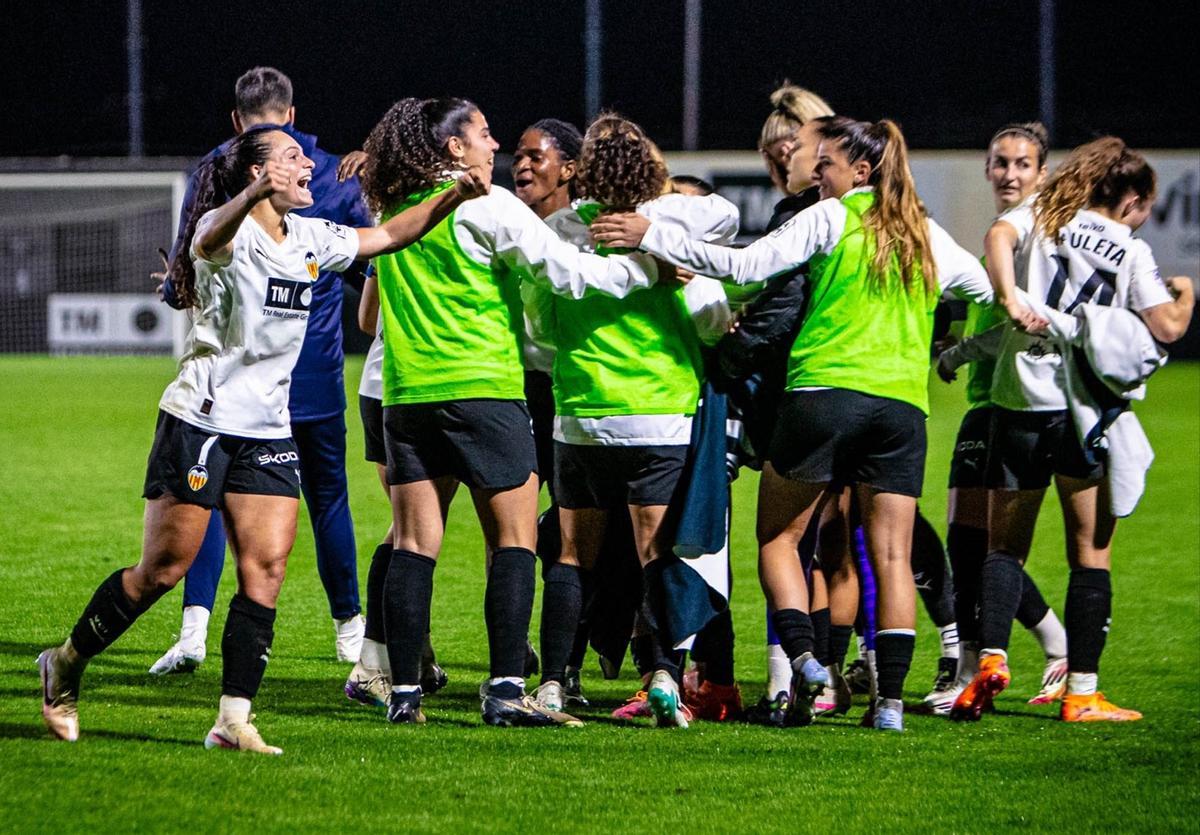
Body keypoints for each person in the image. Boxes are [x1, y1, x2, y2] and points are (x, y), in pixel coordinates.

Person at [37, 126, 491, 752]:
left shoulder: (311, 236)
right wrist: (254, 192)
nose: (307, 162)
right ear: (256, 173)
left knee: (268, 569)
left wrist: (454, 198)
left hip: (268, 429)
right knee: (163, 570)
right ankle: (64, 662)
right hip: (201, 420)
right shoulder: (227, 232)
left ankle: (233, 719)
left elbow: (386, 236)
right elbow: (207, 236)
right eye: (289, 157)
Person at [593, 116, 994, 731]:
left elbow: (747, 267)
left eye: (827, 162)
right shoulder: (926, 234)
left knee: (780, 540)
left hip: (821, 398)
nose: (818, 172)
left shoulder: (830, 217)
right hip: (901, 410)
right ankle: (888, 706)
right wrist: (958, 350)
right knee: (889, 556)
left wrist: (653, 234)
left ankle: (804, 659)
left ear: (861, 171)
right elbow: (991, 292)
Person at [359, 97, 663, 727]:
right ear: (453, 149)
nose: (494, 146)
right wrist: (646, 268)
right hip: (486, 394)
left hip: (408, 396)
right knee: (516, 540)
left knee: (414, 545)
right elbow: (569, 275)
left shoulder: (396, 208)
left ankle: (405, 694)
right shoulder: (488, 204)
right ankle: (503, 691)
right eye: (485, 134)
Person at [952, 136, 1193, 722]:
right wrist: (1186, 294)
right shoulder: (1128, 249)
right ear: (1132, 199)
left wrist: (1009, 294)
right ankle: (1082, 693)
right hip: (1081, 412)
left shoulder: (1043, 219)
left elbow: (997, 237)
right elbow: (1166, 326)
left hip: (1016, 402)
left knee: (1004, 546)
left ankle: (989, 661)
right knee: (1090, 552)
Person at [151, 67, 371, 675]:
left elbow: (185, 278)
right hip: (316, 372)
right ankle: (350, 636)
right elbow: (366, 267)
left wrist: (175, 286)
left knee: (214, 500)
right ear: (292, 115)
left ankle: (194, 632)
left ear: (236, 121)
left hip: (234, 379)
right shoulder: (331, 171)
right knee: (329, 499)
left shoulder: (218, 166)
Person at [526, 114, 738, 727]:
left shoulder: (561, 230)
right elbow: (709, 317)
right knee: (657, 555)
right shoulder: (668, 229)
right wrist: (662, 241)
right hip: (659, 418)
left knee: (571, 557)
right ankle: (667, 678)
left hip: (582, 416)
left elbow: (537, 327)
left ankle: (552, 686)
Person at [931, 122, 1070, 715]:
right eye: (1000, 163)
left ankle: (1003, 657)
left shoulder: (1031, 237)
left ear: (1042, 173)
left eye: (1022, 164)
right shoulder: (1002, 237)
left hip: (1012, 405)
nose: (1009, 174)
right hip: (983, 405)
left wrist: (956, 352)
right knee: (967, 545)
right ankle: (1037, 647)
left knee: (984, 547)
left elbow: (1016, 323)